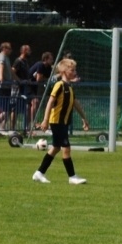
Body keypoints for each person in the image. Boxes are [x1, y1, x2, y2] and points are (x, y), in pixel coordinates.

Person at [32, 57, 90, 185]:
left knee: (56, 148)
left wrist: (84, 118)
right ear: (64, 71)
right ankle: (72, 177)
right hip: (56, 121)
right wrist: (45, 120)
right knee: (66, 148)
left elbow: (76, 104)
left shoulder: (69, 87)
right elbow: (50, 102)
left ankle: (39, 173)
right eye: (72, 70)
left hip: (63, 122)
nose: (75, 72)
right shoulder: (59, 85)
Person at [26, 51, 53, 129]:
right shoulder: (40, 65)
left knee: (32, 105)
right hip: (28, 86)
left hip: (35, 87)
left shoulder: (49, 68)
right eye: (50, 59)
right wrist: (41, 77)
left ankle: (29, 125)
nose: (52, 61)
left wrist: (42, 77)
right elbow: (38, 79)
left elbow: (46, 78)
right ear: (45, 59)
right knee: (35, 102)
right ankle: (33, 123)